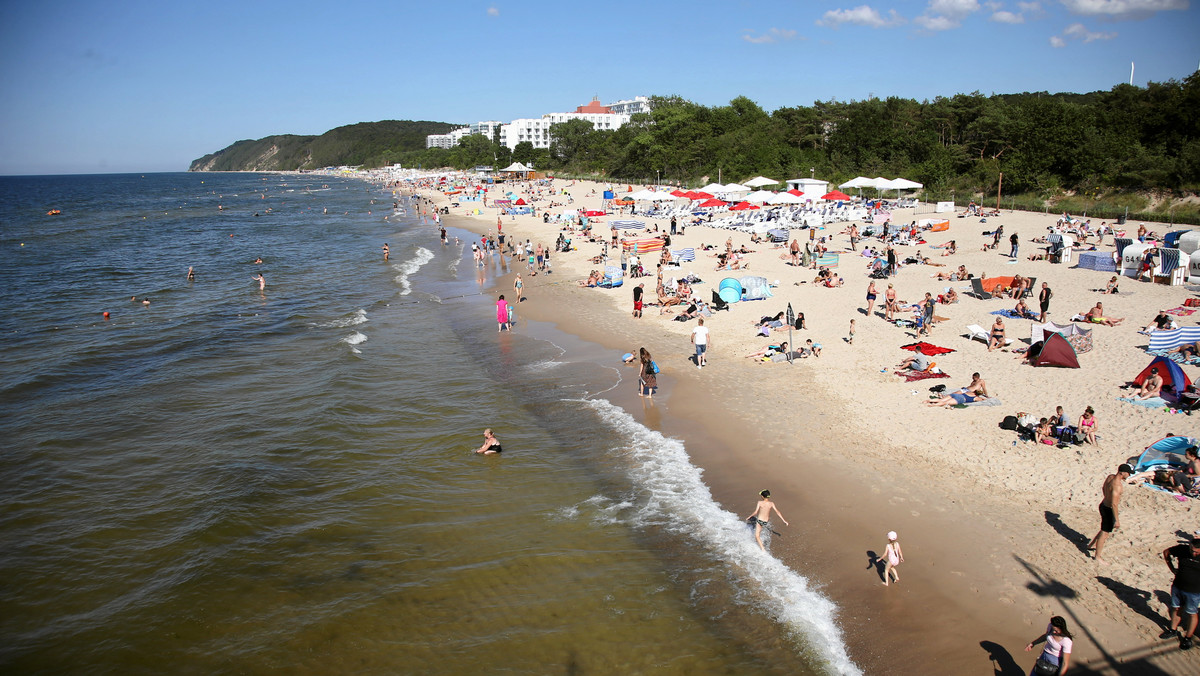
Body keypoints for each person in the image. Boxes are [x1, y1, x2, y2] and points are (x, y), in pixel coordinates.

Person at [1087, 463, 1133, 563]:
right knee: (1105, 532)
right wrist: (1117, 520)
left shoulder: (1110, 477)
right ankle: (1098, 557)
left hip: (1103, 504)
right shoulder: (1117, 486)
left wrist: (1106, 497)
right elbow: (1114, 504)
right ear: (1122, 473)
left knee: (1104, 528)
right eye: (1128, 473)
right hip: (1108, 508)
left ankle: (1090, 545)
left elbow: (1103, 488)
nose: (1129, 475)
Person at [1161, 534, 1200, 651]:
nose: (1194, 554)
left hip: (1194, 592)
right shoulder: (1182, 549)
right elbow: (1166, 552)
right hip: (1178, 587)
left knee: (1192, 614)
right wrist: (1171, 568)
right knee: (1176, 608)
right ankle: (1173, 630)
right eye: (1192, 551)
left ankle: (1188, 638)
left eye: (1197, 552)